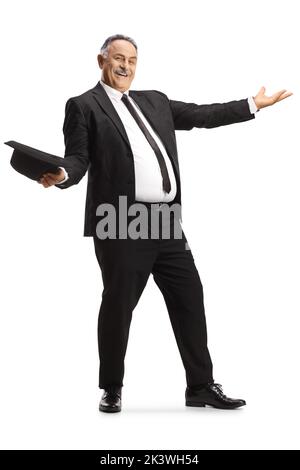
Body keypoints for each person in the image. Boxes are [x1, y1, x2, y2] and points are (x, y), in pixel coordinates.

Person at [38, 34, 292, 413]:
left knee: (190, 297)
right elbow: (77, 157)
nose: (126, 66)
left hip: (165, 221)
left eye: (133, 60)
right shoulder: (84, 105)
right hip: (120, 219)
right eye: (119, 58)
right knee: (119, 305)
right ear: (101, 61)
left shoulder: (153, 101)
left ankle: (201, 386)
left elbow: (202, 115)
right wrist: (62, 174)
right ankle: (111, 387)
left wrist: (252, 104)